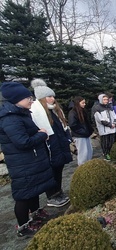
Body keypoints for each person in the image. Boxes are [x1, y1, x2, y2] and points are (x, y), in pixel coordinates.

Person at [0, 82, 56, 237]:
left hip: (30, 161)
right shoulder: (10, 118)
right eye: (28, 98)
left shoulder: (21, 113)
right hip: (22, 164)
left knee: (34, 189)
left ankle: (36, 213)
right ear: (17, 99)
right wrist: (42, 134)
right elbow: (22, 142)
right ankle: (23, 226)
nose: (31, 100)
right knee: (24, 195)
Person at [30, 79, 72, 208]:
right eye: (49, 96)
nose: (53, 99)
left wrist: (67, 139)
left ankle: (58, 192)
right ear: (42, 98)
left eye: (53, 96)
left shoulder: (54, 111)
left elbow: (62, 126)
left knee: (59, 170)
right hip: (50, 147)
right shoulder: (37, 112)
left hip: (59, 145)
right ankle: (52, 196)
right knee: (52, 172)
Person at [68, 96, 94, 166]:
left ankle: (88, 166)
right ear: (78, 103)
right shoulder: (73, 113)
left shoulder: (82, 111)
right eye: (83, 103)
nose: (84, 104)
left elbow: (87, 123)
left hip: (85, 135)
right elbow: (73, 125)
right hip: (79, 136)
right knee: (83, 153)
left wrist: (90, 130)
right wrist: (83, 131)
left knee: (89, 151)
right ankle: (82, 168)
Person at [94, 94, 116, 160]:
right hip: (104, 130)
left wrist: (114, 123)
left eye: (107, 99)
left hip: (112, 129)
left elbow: (114, 116)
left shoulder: (110, 107)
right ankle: (106, 154)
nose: (106, 101)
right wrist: (110, 125)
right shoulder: (97, 108)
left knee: (112, 142)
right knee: (105, 143)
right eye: (104, 99)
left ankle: (111, 153)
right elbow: (100, 120)